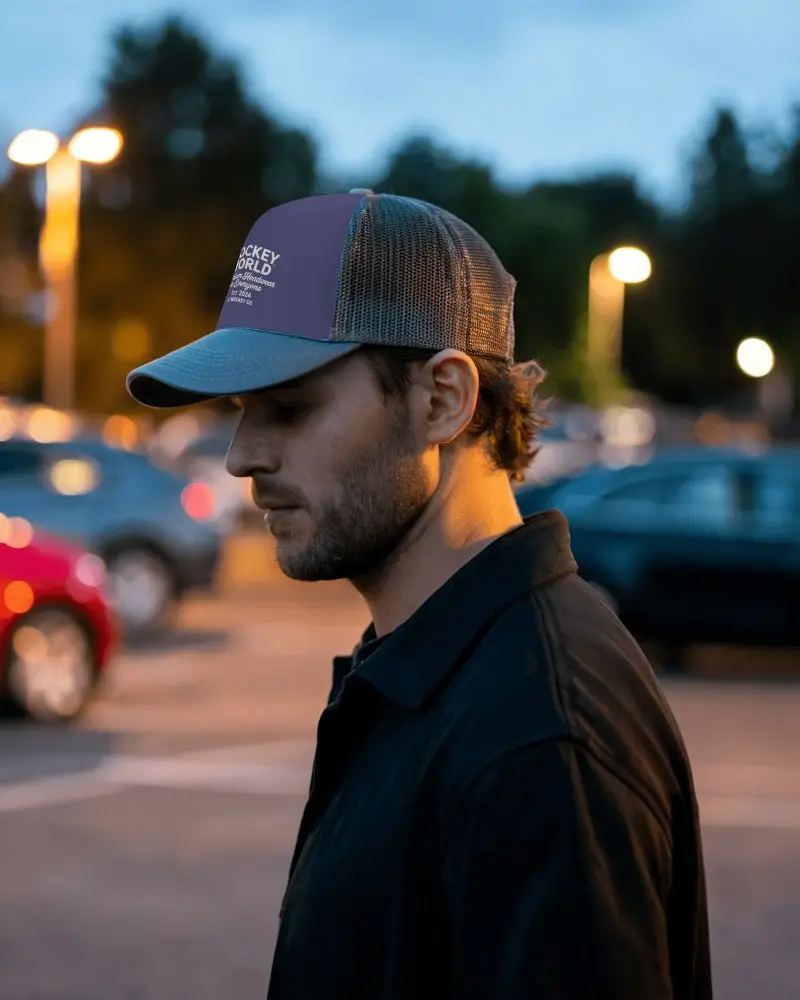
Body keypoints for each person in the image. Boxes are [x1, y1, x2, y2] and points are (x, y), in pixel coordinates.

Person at [126, 190, 713, 999]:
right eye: (240, 411)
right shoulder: (438, 665)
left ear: (442, 400)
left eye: (290, 408)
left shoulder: (539, 734)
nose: (242, 456)